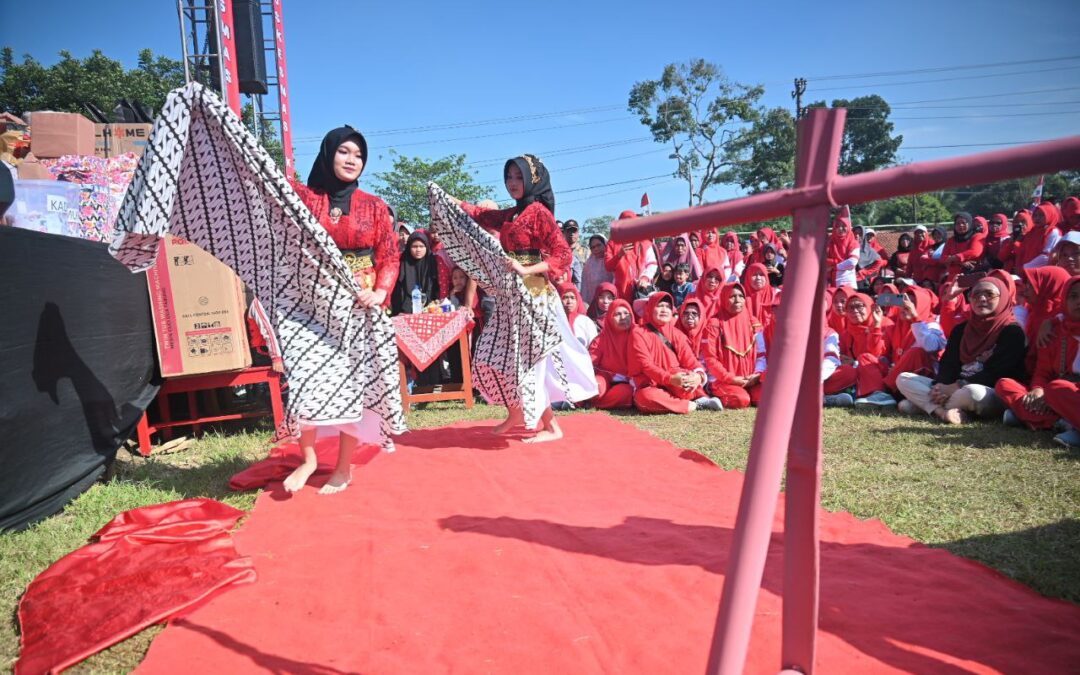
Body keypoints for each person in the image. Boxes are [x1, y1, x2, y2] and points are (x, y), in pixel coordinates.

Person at [442, 154, 597, 442]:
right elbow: (481, 215)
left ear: (532, 179)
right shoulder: (513, 214)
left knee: (529, 362)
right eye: (509, 177)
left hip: (535, 297)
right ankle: (516, 410)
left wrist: (526, 268)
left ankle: (551, 426)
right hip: (511, 298)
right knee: (492, 356)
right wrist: (450, 200)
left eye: (518, 177)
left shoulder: (539, 212)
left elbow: (562, 254)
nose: (512, 183)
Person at [286, 125, 400, 494]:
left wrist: (381, 292)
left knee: (354, 386)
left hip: (359, 307)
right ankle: (308, 459)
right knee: (305, 377)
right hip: (314, 305)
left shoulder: (375, 206)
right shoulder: (305, 198)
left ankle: (343, 468)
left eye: (359, 155)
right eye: (344, 152)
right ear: (327, 154)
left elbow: (390, 256)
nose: (352, 160)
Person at [896, 276, 1026, 423]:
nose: (982, 299)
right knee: (903, 379)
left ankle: (925, 406)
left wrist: (957, 386)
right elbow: (948, 363)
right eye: (976, 295)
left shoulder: (1012, 332)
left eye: (989, 294)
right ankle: (943, 413)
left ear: (1002, 298)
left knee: (973, 393)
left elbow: (997, 373)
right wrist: (943, 386)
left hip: (986, 390)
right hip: (952, 388)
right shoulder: (961, 329)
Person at [996, 275, 1080, 446]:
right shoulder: (1053, 332)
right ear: (1064, 299)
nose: (1079, 301)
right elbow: (1043, 372)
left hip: (1071, 394)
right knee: (1004, 385)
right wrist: (1038, 390)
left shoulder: (1051, 323)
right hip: (1056, 396)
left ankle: (1035, 418)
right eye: (1073, 296)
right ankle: (1065, 424)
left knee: (1059, 388)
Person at [628, 292, 723, 414]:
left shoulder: (676, 334)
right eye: (659, 305)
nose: (664, 309)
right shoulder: (638, 332)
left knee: (687, 379)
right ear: (650, 308)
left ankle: (697, 397)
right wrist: (670, 379)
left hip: (675, 380)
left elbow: (690, 360)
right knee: (645, 397)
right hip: (650, 383)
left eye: (668, 306)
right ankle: (693, 404)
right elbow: (645, 366)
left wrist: (698, 376)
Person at [702, 283, 763, 409]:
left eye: (741, 296)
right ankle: (711, 391)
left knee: (765, 397)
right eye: (732, 296)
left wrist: (757, 375)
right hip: (723, 380)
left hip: (751, 379)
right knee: (741, 400)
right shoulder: (714, 324)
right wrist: (731, 379)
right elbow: (710, 359)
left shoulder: (753, 322)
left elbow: (762, 354)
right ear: (724, 298)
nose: (737, 300)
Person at [587, 299, 637, 410]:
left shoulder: (638, 335)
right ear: (609, 317)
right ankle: (596, 400)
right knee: (597, 387)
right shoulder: (601, 339)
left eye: (626, 313)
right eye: (617, 314)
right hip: (605, 376)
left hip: (630, 380)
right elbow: (591, 362)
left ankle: (600, 404)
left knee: (625, 392)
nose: (623, 317)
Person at [604, 211, 658, 301]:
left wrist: (645, 278)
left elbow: (652, 264)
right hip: (620, 290)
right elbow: (608, 267)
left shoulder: (644, 242)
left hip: (642, 290)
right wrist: (619, 255)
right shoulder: (612, 243)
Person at [940, 212, 985, 280]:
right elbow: (942, 258)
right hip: (953, 277)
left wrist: (953, 258)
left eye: (964, 223)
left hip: (972, 276)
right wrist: (960, 262)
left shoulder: (977, 236)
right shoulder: (951, 240)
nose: (961, 225)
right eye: (958, 223)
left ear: (970, 223)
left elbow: (975, 252)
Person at [1019, 203, 1063, 270]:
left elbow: (1047, 257)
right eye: (1035, 215)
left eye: (1042, 215)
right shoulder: (1031, 232)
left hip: (1040, 272)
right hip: (1025, 271)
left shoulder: (1053, 232)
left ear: (1050, 215)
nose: (1037, 218)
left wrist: (1025, 267)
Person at [826, 206, 859, 288]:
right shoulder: (830, 243)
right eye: (837, 226)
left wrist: (834, 267)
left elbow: (852, 262)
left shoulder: (853, 242)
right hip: (830, 282)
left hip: (847, 282)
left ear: (848, 227)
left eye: (844, 226)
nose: (841, 229)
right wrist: (836, 262)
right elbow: (822, 261)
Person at [559, 282, 599, 346]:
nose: (569, 302)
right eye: (565, 297)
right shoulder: (554, 322)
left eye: (572, 298)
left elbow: (593, 346)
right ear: (558, 300)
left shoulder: (585, 321)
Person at [581, 234, 614, 304]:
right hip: (593, 304)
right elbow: (584, 287)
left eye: (599, 245)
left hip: (611, 301)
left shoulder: (612, 261)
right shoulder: (589, 265)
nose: (596, 249)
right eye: (592, 247)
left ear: (605, 244)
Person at [562, 220, 585, 287]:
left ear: (578, 233)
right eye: (569, 231)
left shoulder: (586, 251)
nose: (572, 233)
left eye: (574, 231)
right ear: (563, 233)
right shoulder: (559, 251)